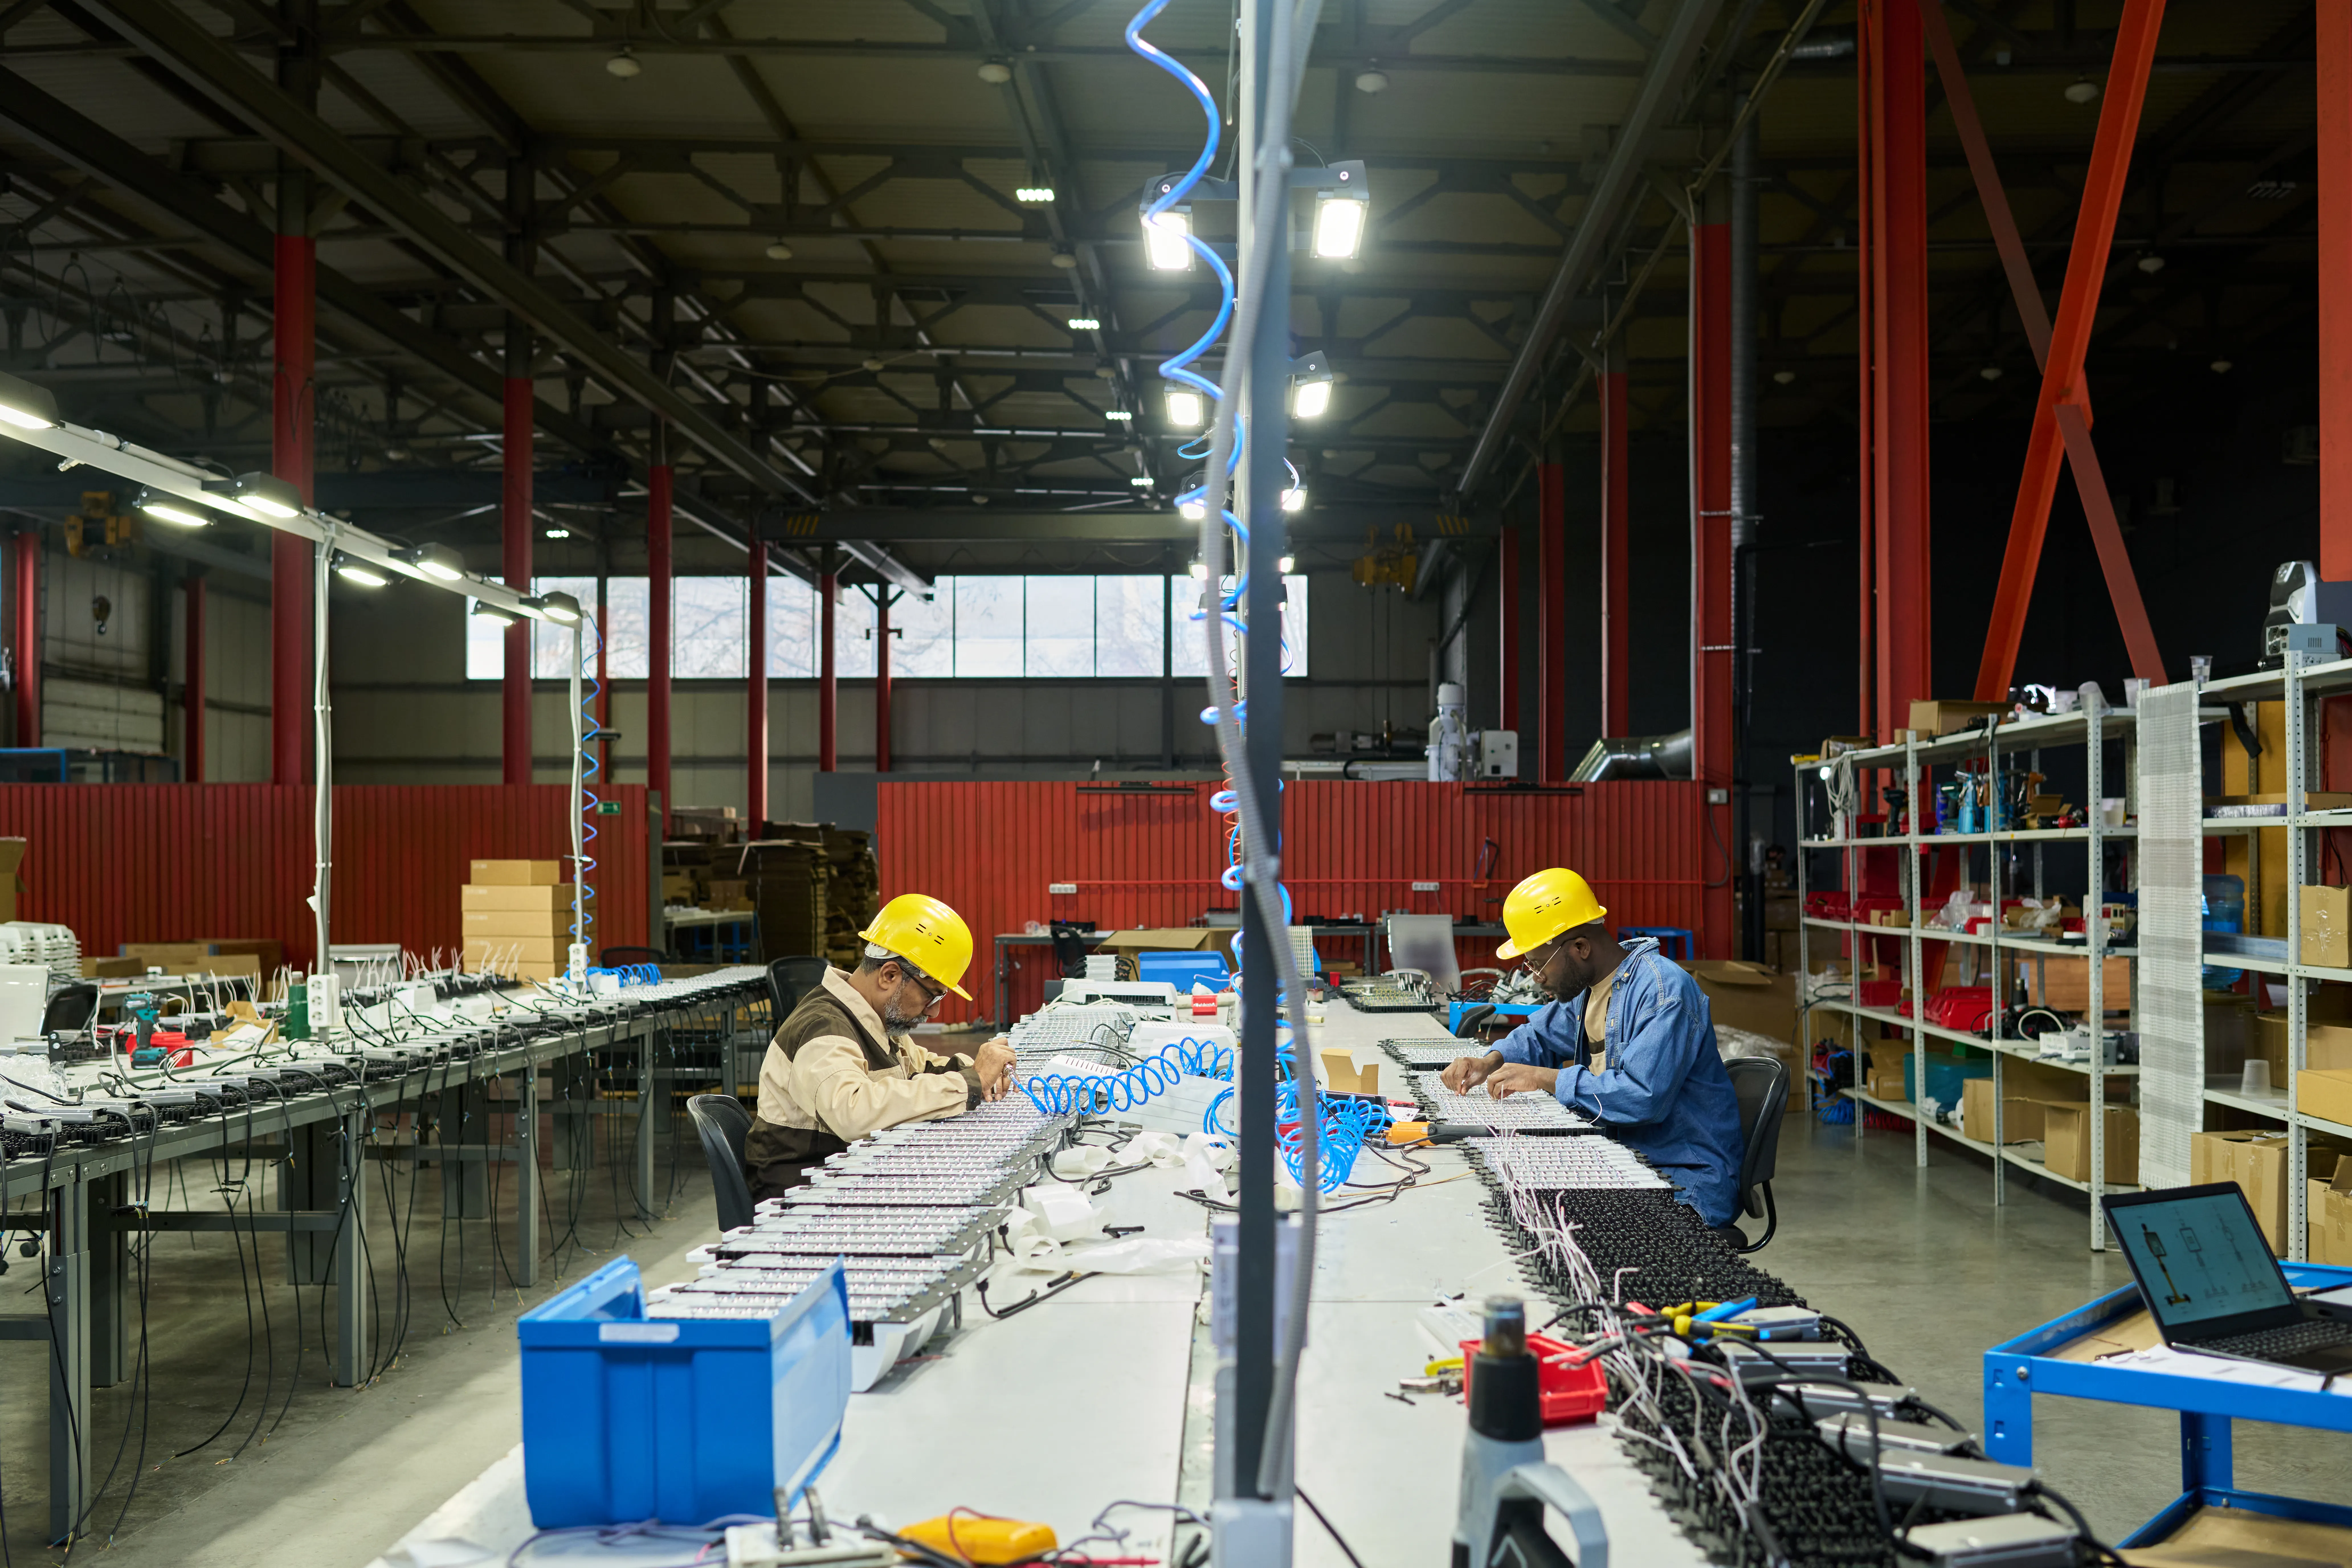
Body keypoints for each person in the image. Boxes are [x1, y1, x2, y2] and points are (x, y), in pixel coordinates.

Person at [1440, 869, 1745, 1229]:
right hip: (1627, 1160)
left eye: (1538, 964)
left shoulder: (1664, 992)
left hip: (1685, 1179)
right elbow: (1539, 1036)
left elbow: (1641, 1096)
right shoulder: (1591, 988)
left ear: (1581, 948)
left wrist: (1544, 1078)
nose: (1536, 977)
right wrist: (1488, 1062)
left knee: (1549, 1229)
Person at [742, 892, 1018, 1200]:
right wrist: (970, 1082)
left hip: (843, 1174)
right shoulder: (824, 1027)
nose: (935, 1011)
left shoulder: (874, 1019)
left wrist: (979, 1072)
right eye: (933, 995)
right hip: (801, 1193)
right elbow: (853, 1112)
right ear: (889, 975)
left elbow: (922, 1067)